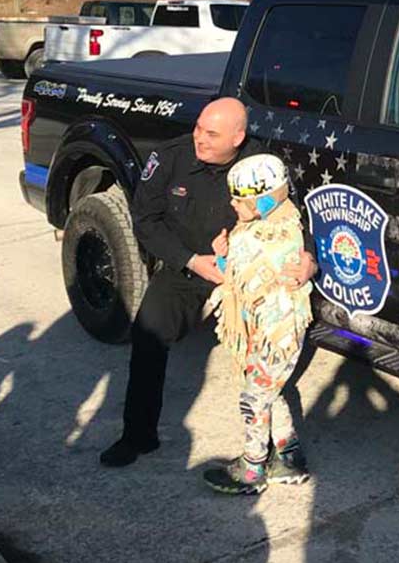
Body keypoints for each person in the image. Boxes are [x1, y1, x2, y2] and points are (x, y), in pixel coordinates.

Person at [100, 98, 317, 467]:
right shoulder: (171, 157)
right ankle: (138, 436)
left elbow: (294, 217)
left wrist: (308, 259)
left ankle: (278, 448)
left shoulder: (260, 166)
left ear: (238, 137)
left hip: (244, 274)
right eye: (199, 127)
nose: (199, 138)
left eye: (211, 134)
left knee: (258, 360)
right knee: (148, 335)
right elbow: (145, 220)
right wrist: (191, 261)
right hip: (188, 265)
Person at [203, 154, 313, 495]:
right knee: (269, 390)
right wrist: (223, 254)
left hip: (277, 335)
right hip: (265, 331)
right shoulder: (274, 223)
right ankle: (289, 457)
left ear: (265, 199)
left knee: (253, 397)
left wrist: (225, 255)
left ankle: (252, 468)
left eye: (240, 199)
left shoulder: (268, 236)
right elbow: (236, 275)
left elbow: (235, 274)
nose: (233, 205)